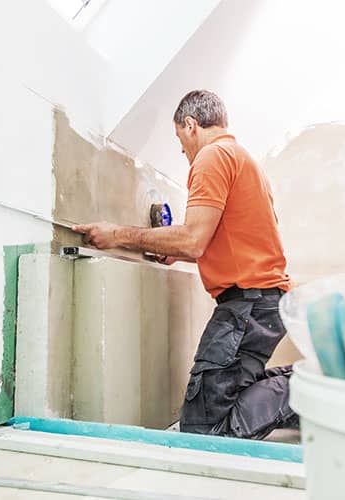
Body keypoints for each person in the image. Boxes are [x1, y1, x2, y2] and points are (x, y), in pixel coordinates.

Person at [73, 89, 298, 439]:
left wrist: (116, 234)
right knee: (221, 405)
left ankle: (305, 391)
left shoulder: (212, 156)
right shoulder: (243, 160)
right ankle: (307, 388)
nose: (183, 151)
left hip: (248, 305)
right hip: (262, 302)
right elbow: (230, 236)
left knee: (206, 430)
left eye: (180, 140)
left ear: (190, 125)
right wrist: (175, 249)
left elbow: (194, 240)